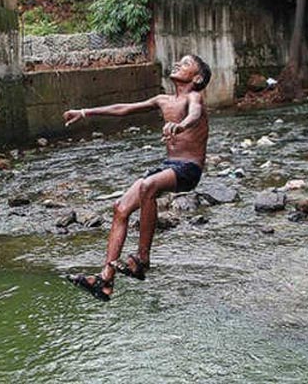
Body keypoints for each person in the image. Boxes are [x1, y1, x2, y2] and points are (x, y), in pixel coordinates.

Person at [63, 54, 212, 301]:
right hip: (169, 165)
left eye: (186, 63)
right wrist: (84, 112)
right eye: (179, 61)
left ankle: (142, 260)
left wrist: (181, 126)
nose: (178, 64)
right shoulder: (163, 100)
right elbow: (124, 109)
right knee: (121, 208)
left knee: (148, 186)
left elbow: (194, 114)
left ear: (197, 78)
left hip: (189, 168)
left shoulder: (194, 97)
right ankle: (105, 280)